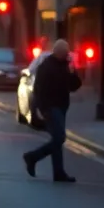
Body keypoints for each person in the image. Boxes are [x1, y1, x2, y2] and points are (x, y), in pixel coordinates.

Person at [23, 39, 81, 183]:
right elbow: (38, 90)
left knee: (57, 139)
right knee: (60, 138)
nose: (67, 55)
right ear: (58, 52)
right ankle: (33, 156)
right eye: (65, 53)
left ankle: (58, 172)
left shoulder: (65, 66)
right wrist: (37, 109)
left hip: (61, 106)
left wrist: (74, 71)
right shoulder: (46, 66)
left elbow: (73, 86)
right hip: (50, 107)